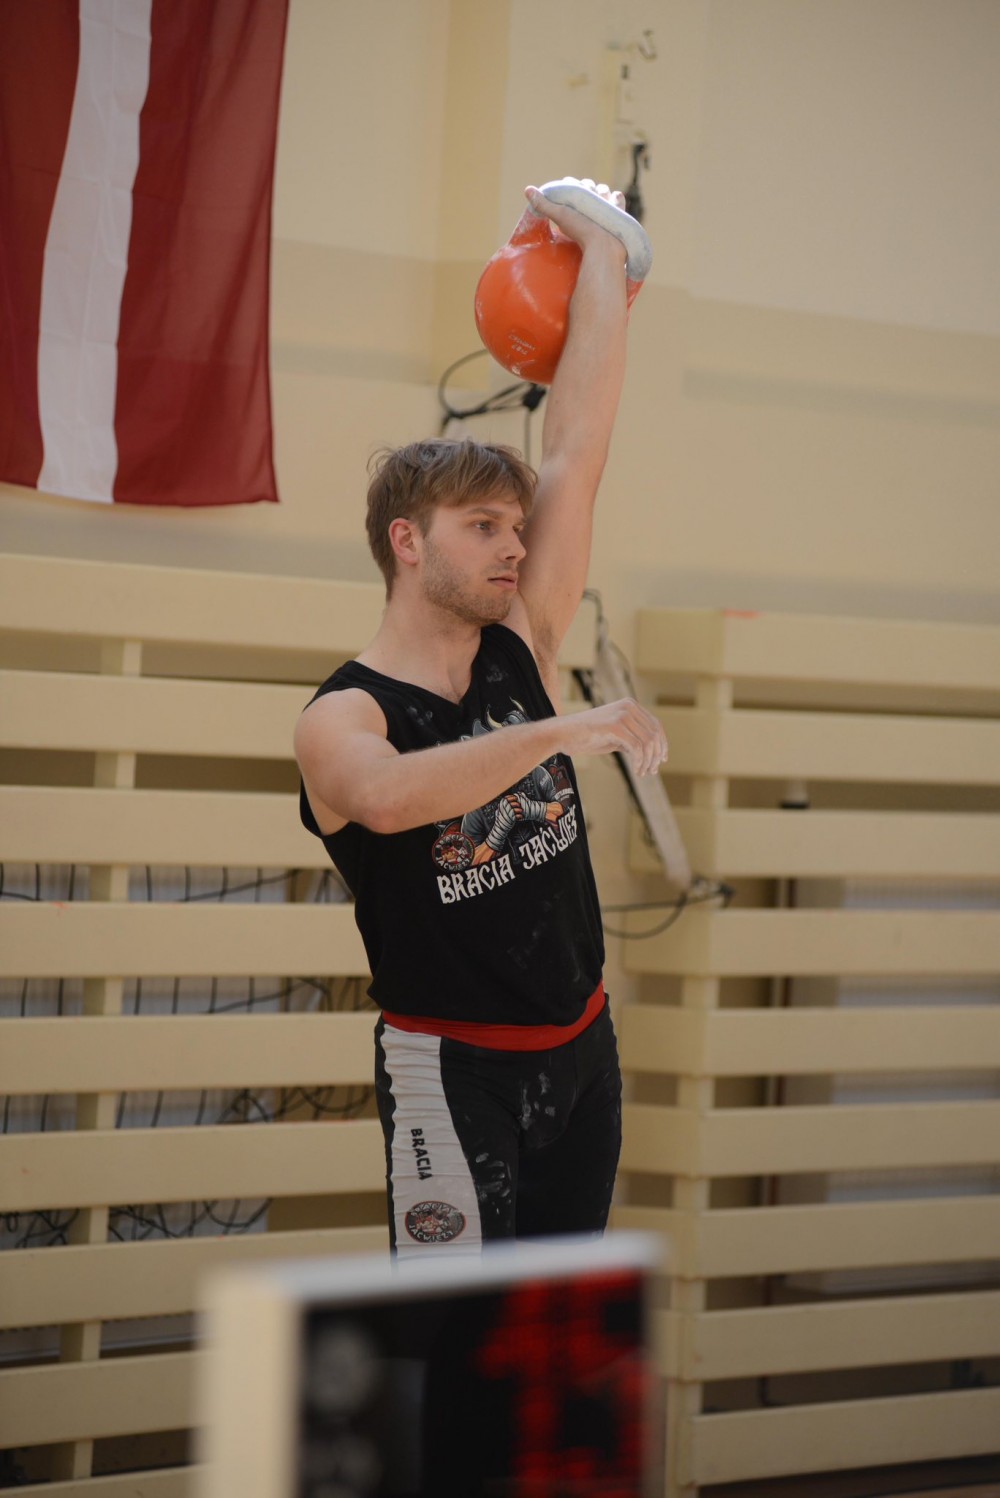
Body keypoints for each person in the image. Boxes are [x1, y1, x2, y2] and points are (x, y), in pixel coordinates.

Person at [295, 180, 668, 1258]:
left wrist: (602, 251)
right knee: (459, 1332)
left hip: (582, 1051)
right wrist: (561, 731)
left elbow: (578, 444)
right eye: (483, 527)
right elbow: (386, 798)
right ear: (408, 543)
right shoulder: (342, 715)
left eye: (515, 526)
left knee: (555, 1336)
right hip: (450, 1068)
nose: (515, 545)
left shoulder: (519, 641)